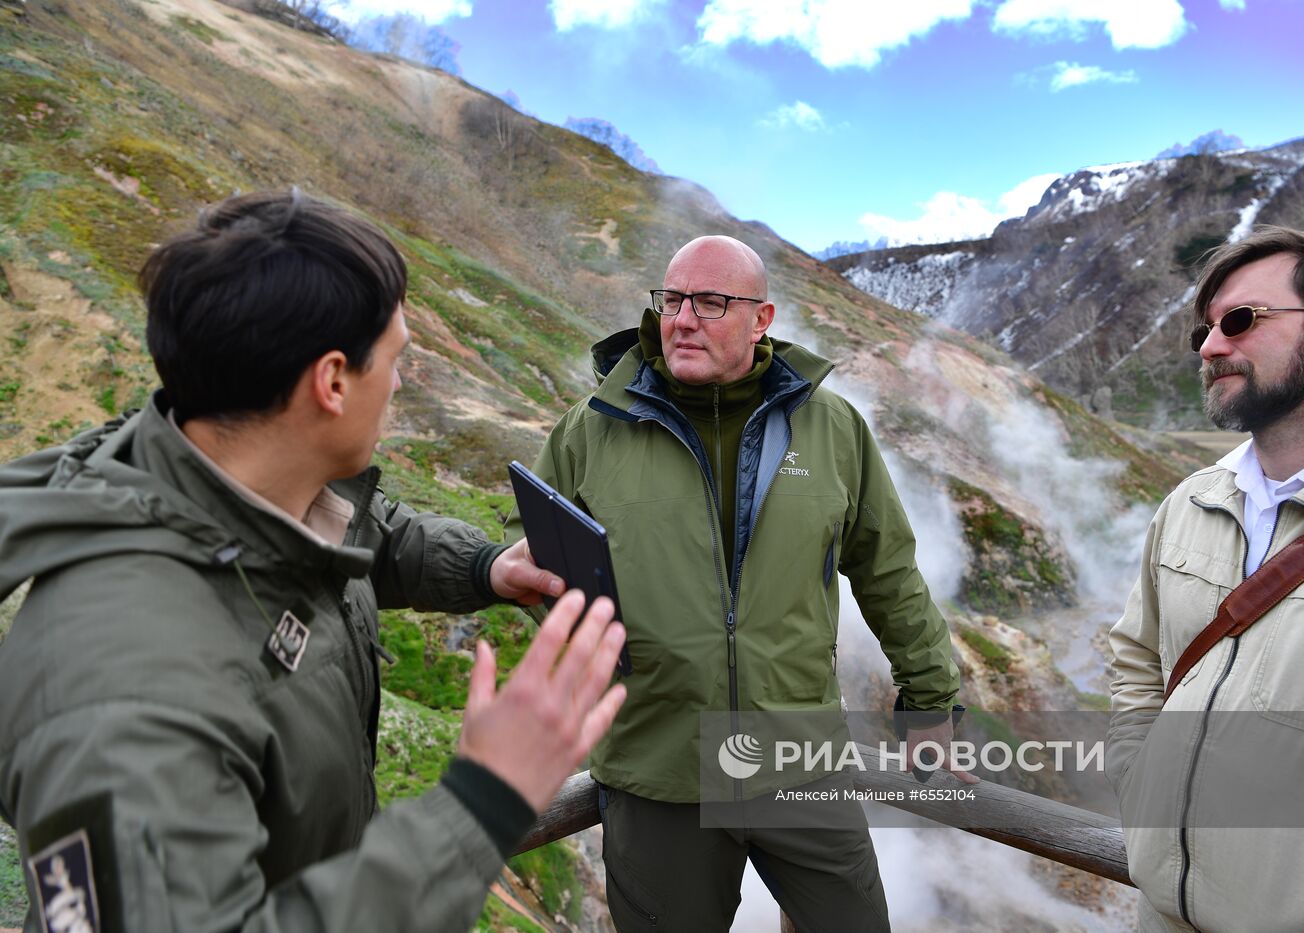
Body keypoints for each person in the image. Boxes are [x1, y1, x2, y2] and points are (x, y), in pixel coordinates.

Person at [0, 190, 628, 932]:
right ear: (332, 381)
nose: (398, 383)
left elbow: (364, 536)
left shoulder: (244, 477)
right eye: (396, 358)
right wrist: (483, 800)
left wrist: (487, 567)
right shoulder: (119, 690)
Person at [507, 235, 964, 931]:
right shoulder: (588, 431)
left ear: (762, 319)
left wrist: (932, 700)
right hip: (659, 771)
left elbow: (889, 571)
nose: (682, 318)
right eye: (672, 299)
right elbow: (548, 576)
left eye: (711, 301)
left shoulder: (832, 426)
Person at [1107, 226, 1304, 932]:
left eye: (1240, 320)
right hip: (1160, 915)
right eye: (1205, 330)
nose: (1210, 348)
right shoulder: (1191, 501)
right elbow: (1136, 658)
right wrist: (1140, 785)